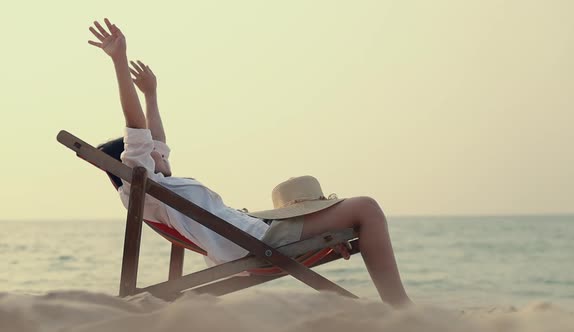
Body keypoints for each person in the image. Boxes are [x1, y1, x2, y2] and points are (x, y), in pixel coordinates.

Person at [88, 18, 411, 307]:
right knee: (367, 208)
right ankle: (399, 308)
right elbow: (138, 129)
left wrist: (152, 94)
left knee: (360, 212)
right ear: (133, 160)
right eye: (151, 150)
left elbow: (155, 139)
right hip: (259, 243)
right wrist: (119, 60)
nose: (161, 150)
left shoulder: (159, 188)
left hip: (259, 234)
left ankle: (396, 306)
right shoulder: (144, 186)